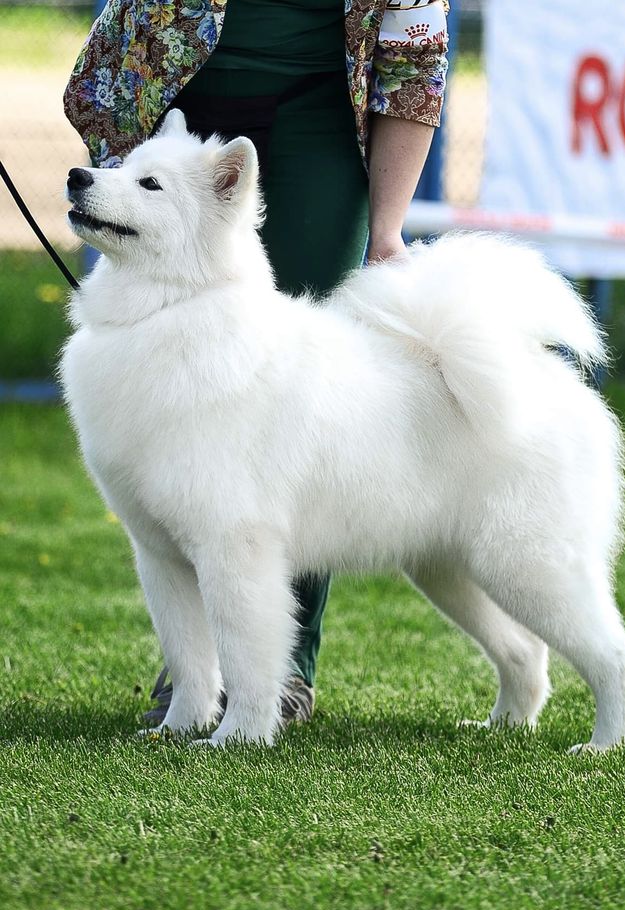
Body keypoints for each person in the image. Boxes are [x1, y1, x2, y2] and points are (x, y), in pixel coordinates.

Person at [63, 0, 450, 728]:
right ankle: (195, 680)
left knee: (294, 424)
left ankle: (278, 676)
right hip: (171, 84)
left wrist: (388, 228)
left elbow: (414, 49)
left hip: (323, 107)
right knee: (177, 486)